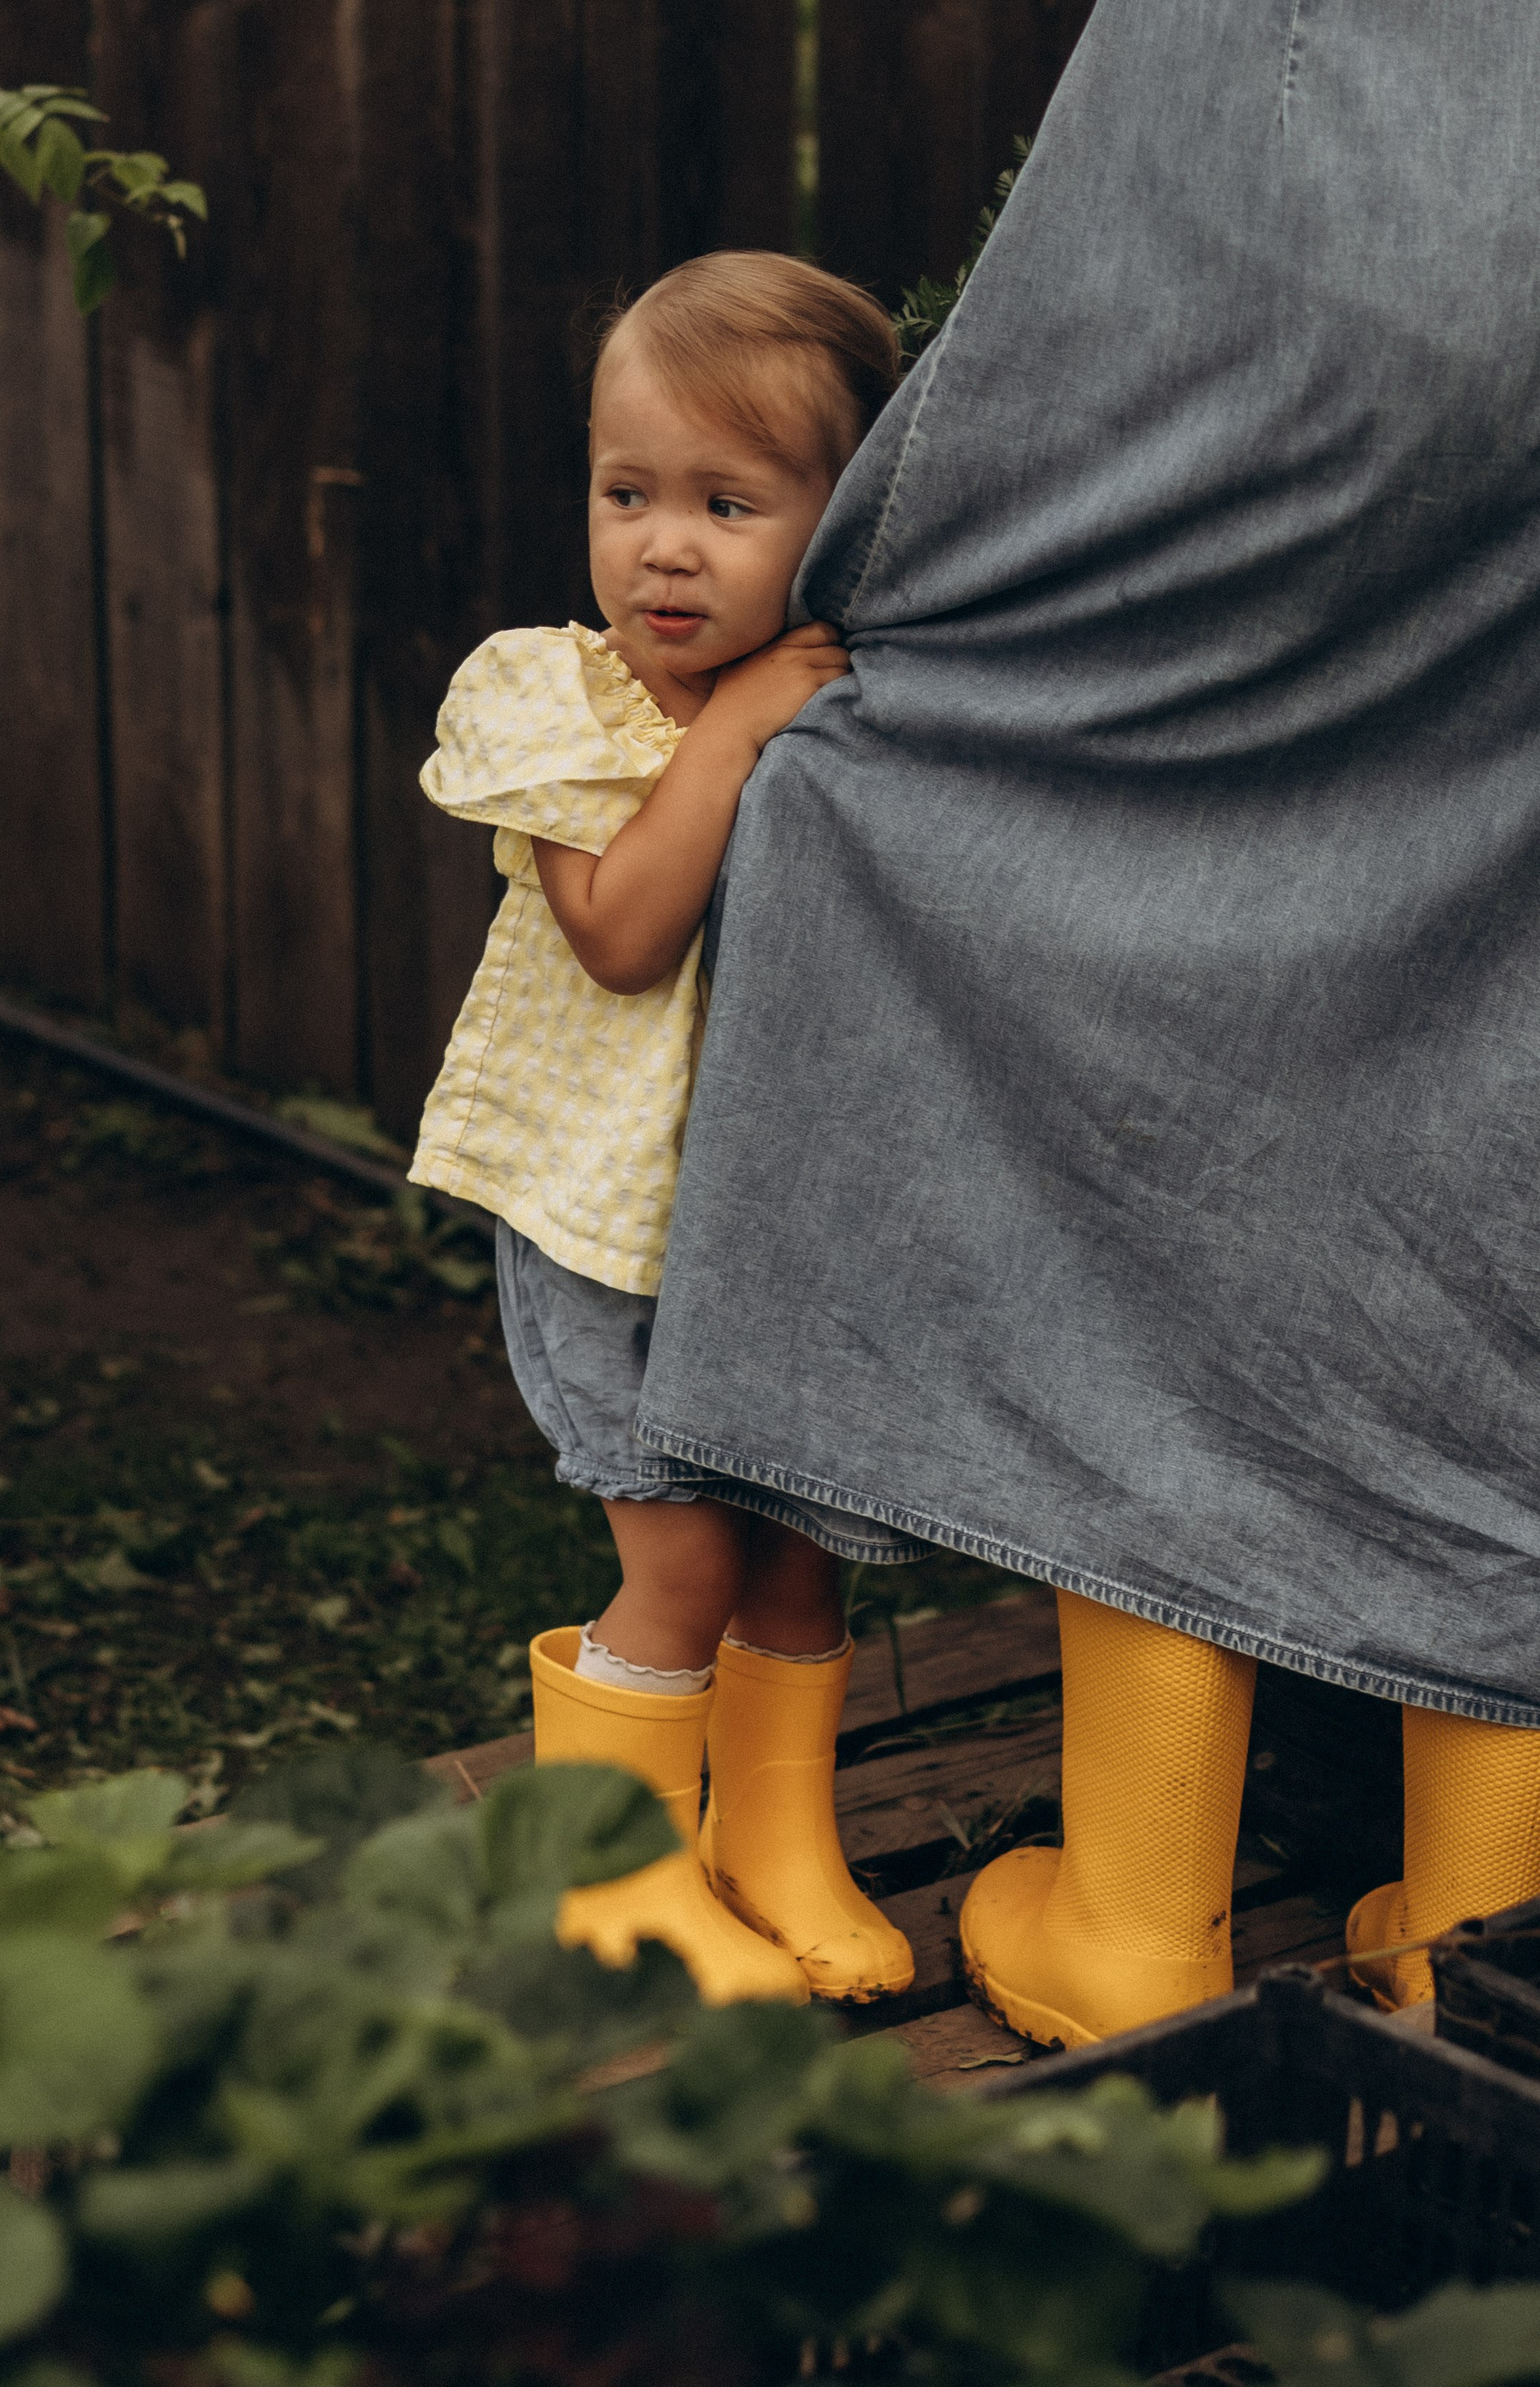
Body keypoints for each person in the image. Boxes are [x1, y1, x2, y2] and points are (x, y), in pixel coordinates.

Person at [633, 0, 1540, 2046]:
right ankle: (1466, 1954)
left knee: (1126, 1180)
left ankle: (1133, 1924)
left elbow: (1144, 334)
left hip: (1252, 596)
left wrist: (893, 626)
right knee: (1464, 1249)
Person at [408, 252, 924, 2006]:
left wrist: (805, 707)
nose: (662, 547)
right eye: (626, 494)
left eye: (728, 501)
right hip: (601, 1212)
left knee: (795, 1545)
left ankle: (773, 1840)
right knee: (682, 1549)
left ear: (839, 525)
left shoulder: (868, 703)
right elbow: (620, 933)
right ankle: (615, 1878)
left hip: (779, 1210)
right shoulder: (551, 695)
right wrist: (739, 733)